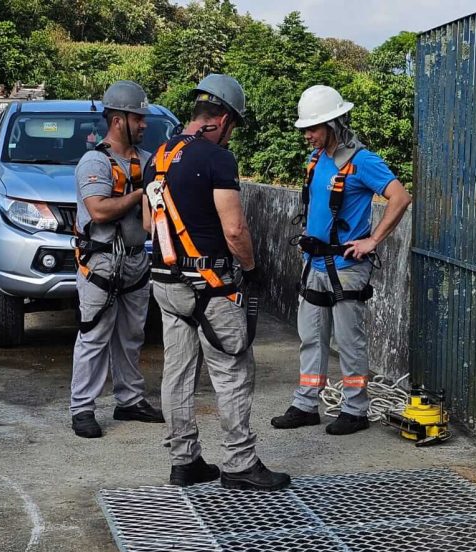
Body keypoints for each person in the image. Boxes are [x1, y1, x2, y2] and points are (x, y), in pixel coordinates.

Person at [143, 74, 291, 491]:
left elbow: (145, 224)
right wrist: (252, 269)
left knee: (178, 372)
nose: (230, 137)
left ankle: (184, 460)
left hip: (166, 282)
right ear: (222, 119)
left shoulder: (157, 157)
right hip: (211, 284)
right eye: (233, 127)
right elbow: (235, 229)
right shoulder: (217, 159)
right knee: (232, 369)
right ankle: (240, 463)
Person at [271, 85, 412, 435]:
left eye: (313, 129)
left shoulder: (363, 161)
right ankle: (306, 403)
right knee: (311, 337)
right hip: (315, 263)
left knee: (349, 341)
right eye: (305, 129)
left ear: (334, 124)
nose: (307, 136)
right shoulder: (317, 160)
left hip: (346, 267)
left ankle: (355, 409)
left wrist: (373, 240)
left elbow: (400, 197)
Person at [70, 80, 164, 438]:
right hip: (101, 263)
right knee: (94, 336)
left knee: (131, 335)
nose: (143, 124)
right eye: (137, 118)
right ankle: (82, 408)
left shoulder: (146, 160)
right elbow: (98, 209)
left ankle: (130, 400)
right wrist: (141, 192)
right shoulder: (95, 161)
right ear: (117, 120)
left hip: (136, 261)